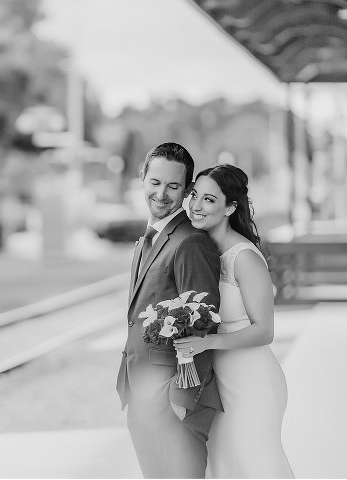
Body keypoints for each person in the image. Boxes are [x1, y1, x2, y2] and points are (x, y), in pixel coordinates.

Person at [174, 164, 294, 478]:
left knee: (255, 466)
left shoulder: (244, 257)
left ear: (230, 206)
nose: (196, 206)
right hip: (218, 384)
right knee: (225, 468)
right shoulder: (199, 250)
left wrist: (206, 342)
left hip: (251, 382)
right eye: (195, 196)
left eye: (209, 200)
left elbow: (264, 330)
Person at [116, 142, 222, 478]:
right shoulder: (146, 240)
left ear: (188, 190)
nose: (162, 194)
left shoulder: (190, 242)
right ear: (142, 179)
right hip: (140, 393)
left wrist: (179, 401)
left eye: (173, 186)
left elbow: (205, 322)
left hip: (172, 402)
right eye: (155, 183)